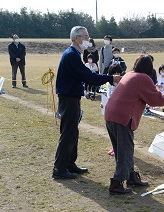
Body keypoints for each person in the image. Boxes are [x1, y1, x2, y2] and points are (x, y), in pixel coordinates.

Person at [52, 26, 121, 180]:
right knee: (68, 133)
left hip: (72, 97)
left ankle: (70, 164)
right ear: (76, 38)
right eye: (85, 36)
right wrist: (111, 78)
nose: (88, 39)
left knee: (73, 133)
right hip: (68, 98)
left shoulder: (75, 54)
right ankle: (59, 168)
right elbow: (88, 77)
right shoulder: (71, 55)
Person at [104, 55, 164, 194]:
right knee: (125, 151)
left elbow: (148, 94)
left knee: (122, 149)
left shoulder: (129, 75)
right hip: (122, 117)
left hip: (111, 114)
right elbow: (154, 99)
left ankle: (130, 176)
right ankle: (117, 183)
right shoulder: (143, 78)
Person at [103, 63, 124, 157]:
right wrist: (103, 103)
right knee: (111, 130)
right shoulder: (109, 83)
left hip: (118, 110)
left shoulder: (123, 84)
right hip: (110, 110)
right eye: (114, 73)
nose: (117, 75)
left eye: (118, 73)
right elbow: (107, 95)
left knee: (118, 131)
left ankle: (119, 149)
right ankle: (114, 147)